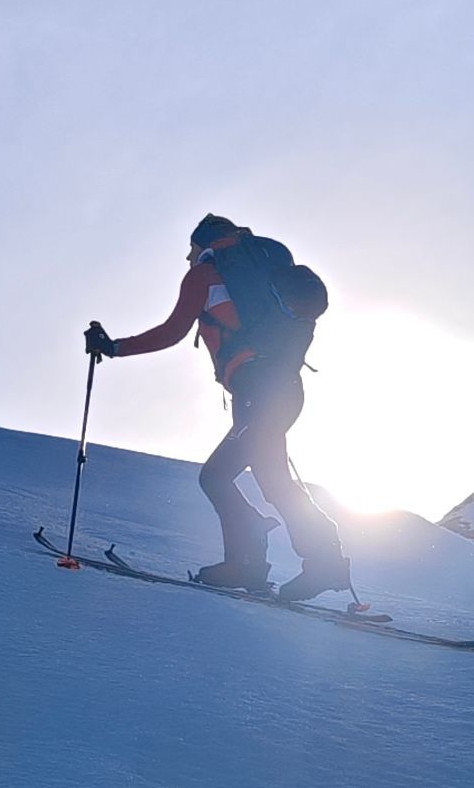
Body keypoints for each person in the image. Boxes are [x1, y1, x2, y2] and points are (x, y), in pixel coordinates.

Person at [85, 214, 350, 601]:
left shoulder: (205, 275)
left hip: (257, 388)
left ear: (204, 242)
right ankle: (266, 561)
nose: (188, 256)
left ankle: (277, 559)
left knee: (218, 477)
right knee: (269, 480)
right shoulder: (268, 261)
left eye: (191, 248)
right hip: (285, 387)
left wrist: (113, 347)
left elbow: (171, 332)